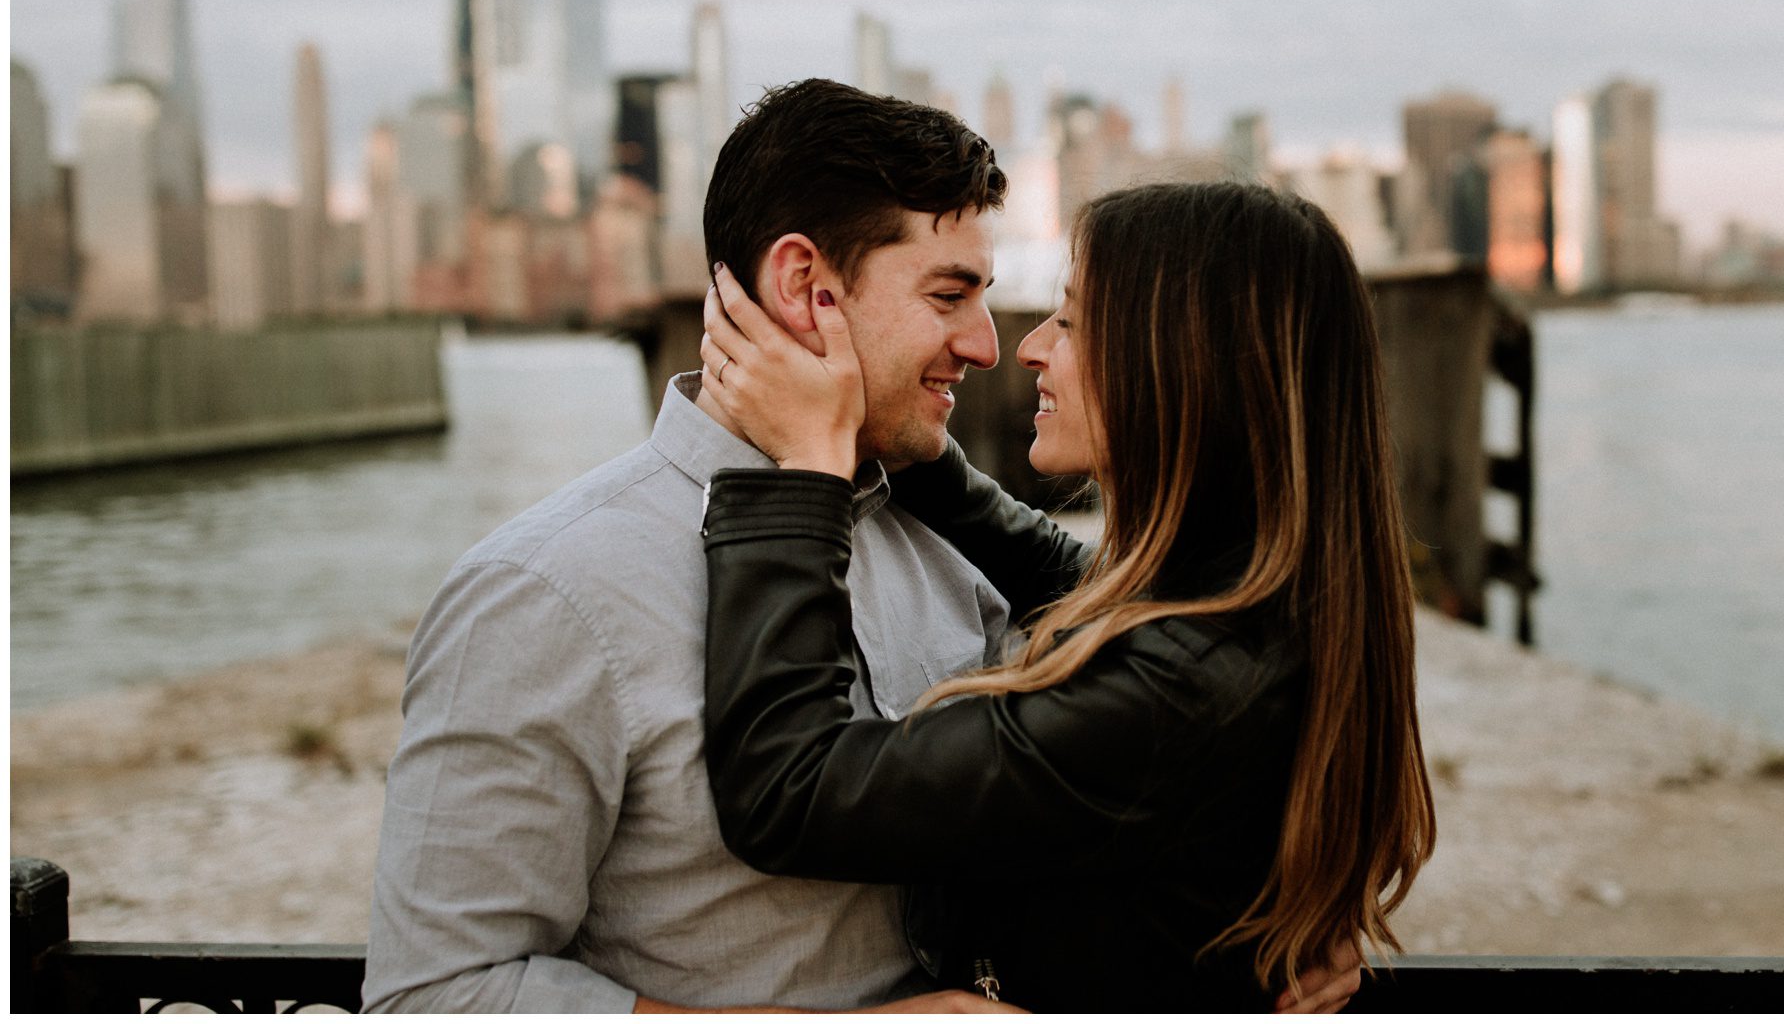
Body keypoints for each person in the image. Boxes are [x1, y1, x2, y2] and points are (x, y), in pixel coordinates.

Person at [694, 179, 1437, 1012]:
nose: (1029, 348)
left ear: (1183, 364)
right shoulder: (1253, 608)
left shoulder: (1176, 695)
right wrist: (902, 435)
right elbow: (1066, 581)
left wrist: (808, 469)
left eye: (1074, 321)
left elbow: (788, 790)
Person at [362, 80, 1022, 1012]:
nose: (987, 345)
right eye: (950, 295)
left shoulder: (949, 554)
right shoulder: (544, 592)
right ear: (805, 286)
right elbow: (434, 996)